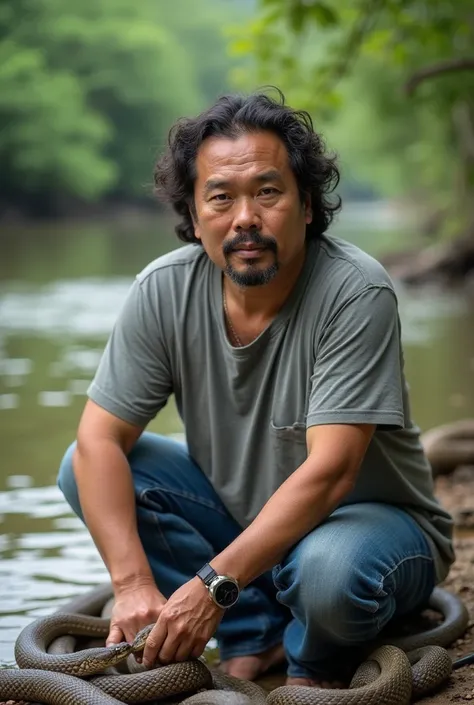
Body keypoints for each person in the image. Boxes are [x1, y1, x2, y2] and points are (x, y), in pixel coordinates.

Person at [57, 88, 455, 688]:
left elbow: (331, 474)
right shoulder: (163, 290)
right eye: (220, 197)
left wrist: (210, 586)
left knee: (327, 571)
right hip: (249, 534)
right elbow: (97, 441)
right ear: (194, 217)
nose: (245, 217)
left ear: (308, 206)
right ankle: (257, 631)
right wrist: (134, 583)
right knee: (84, 466)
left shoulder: (355, 292)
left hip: (372, 530)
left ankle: (313, 665)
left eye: (267, 192)